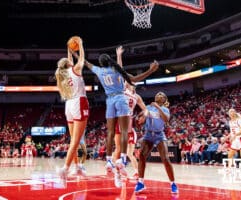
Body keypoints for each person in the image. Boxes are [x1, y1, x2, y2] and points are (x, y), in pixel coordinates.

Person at [71, 49, 158, 187]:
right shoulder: (122, 84)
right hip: (120, 111)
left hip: (123, 117)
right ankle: (117, 167)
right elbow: (124, 71)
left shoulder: (136, 96)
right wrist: (149, 70)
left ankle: (116, 164)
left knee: (123, 145)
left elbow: (88, 63)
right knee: (120, 147)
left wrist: (76, 54)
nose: (129, 83)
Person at [55, 36, 89, 184]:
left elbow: (72, 61)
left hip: (69, 105)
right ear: (69, 64)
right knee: (75, 141)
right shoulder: (75, 69)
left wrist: (69, 50)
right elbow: (81, 59)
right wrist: (80, 44)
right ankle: (65, 169)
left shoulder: (63, 75)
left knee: (73, 140)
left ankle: (77, 166)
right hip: (79, 103)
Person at [113, 46, 149, 181]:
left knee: (130, 152)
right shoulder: (122, 90)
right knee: (119, 150)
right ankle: (117, 172)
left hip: (129, 128)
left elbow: (144, 109)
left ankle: (136, 172)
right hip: (120, 124)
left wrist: (145, 115)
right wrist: (119, 56)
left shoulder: (137, 97)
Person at [134, 91, 178, 194]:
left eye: (162, 95)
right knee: (142, 156)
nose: (159, 95)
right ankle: (140, 183)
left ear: (164, 99)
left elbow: (166, 119)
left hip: (159, 135)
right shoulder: (149, 107)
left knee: (166, 159)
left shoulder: (165, 109)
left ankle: (173, 184)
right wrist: (141, 118)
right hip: (148, 134)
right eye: (158, 94)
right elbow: (143, 114)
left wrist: (158, 107)